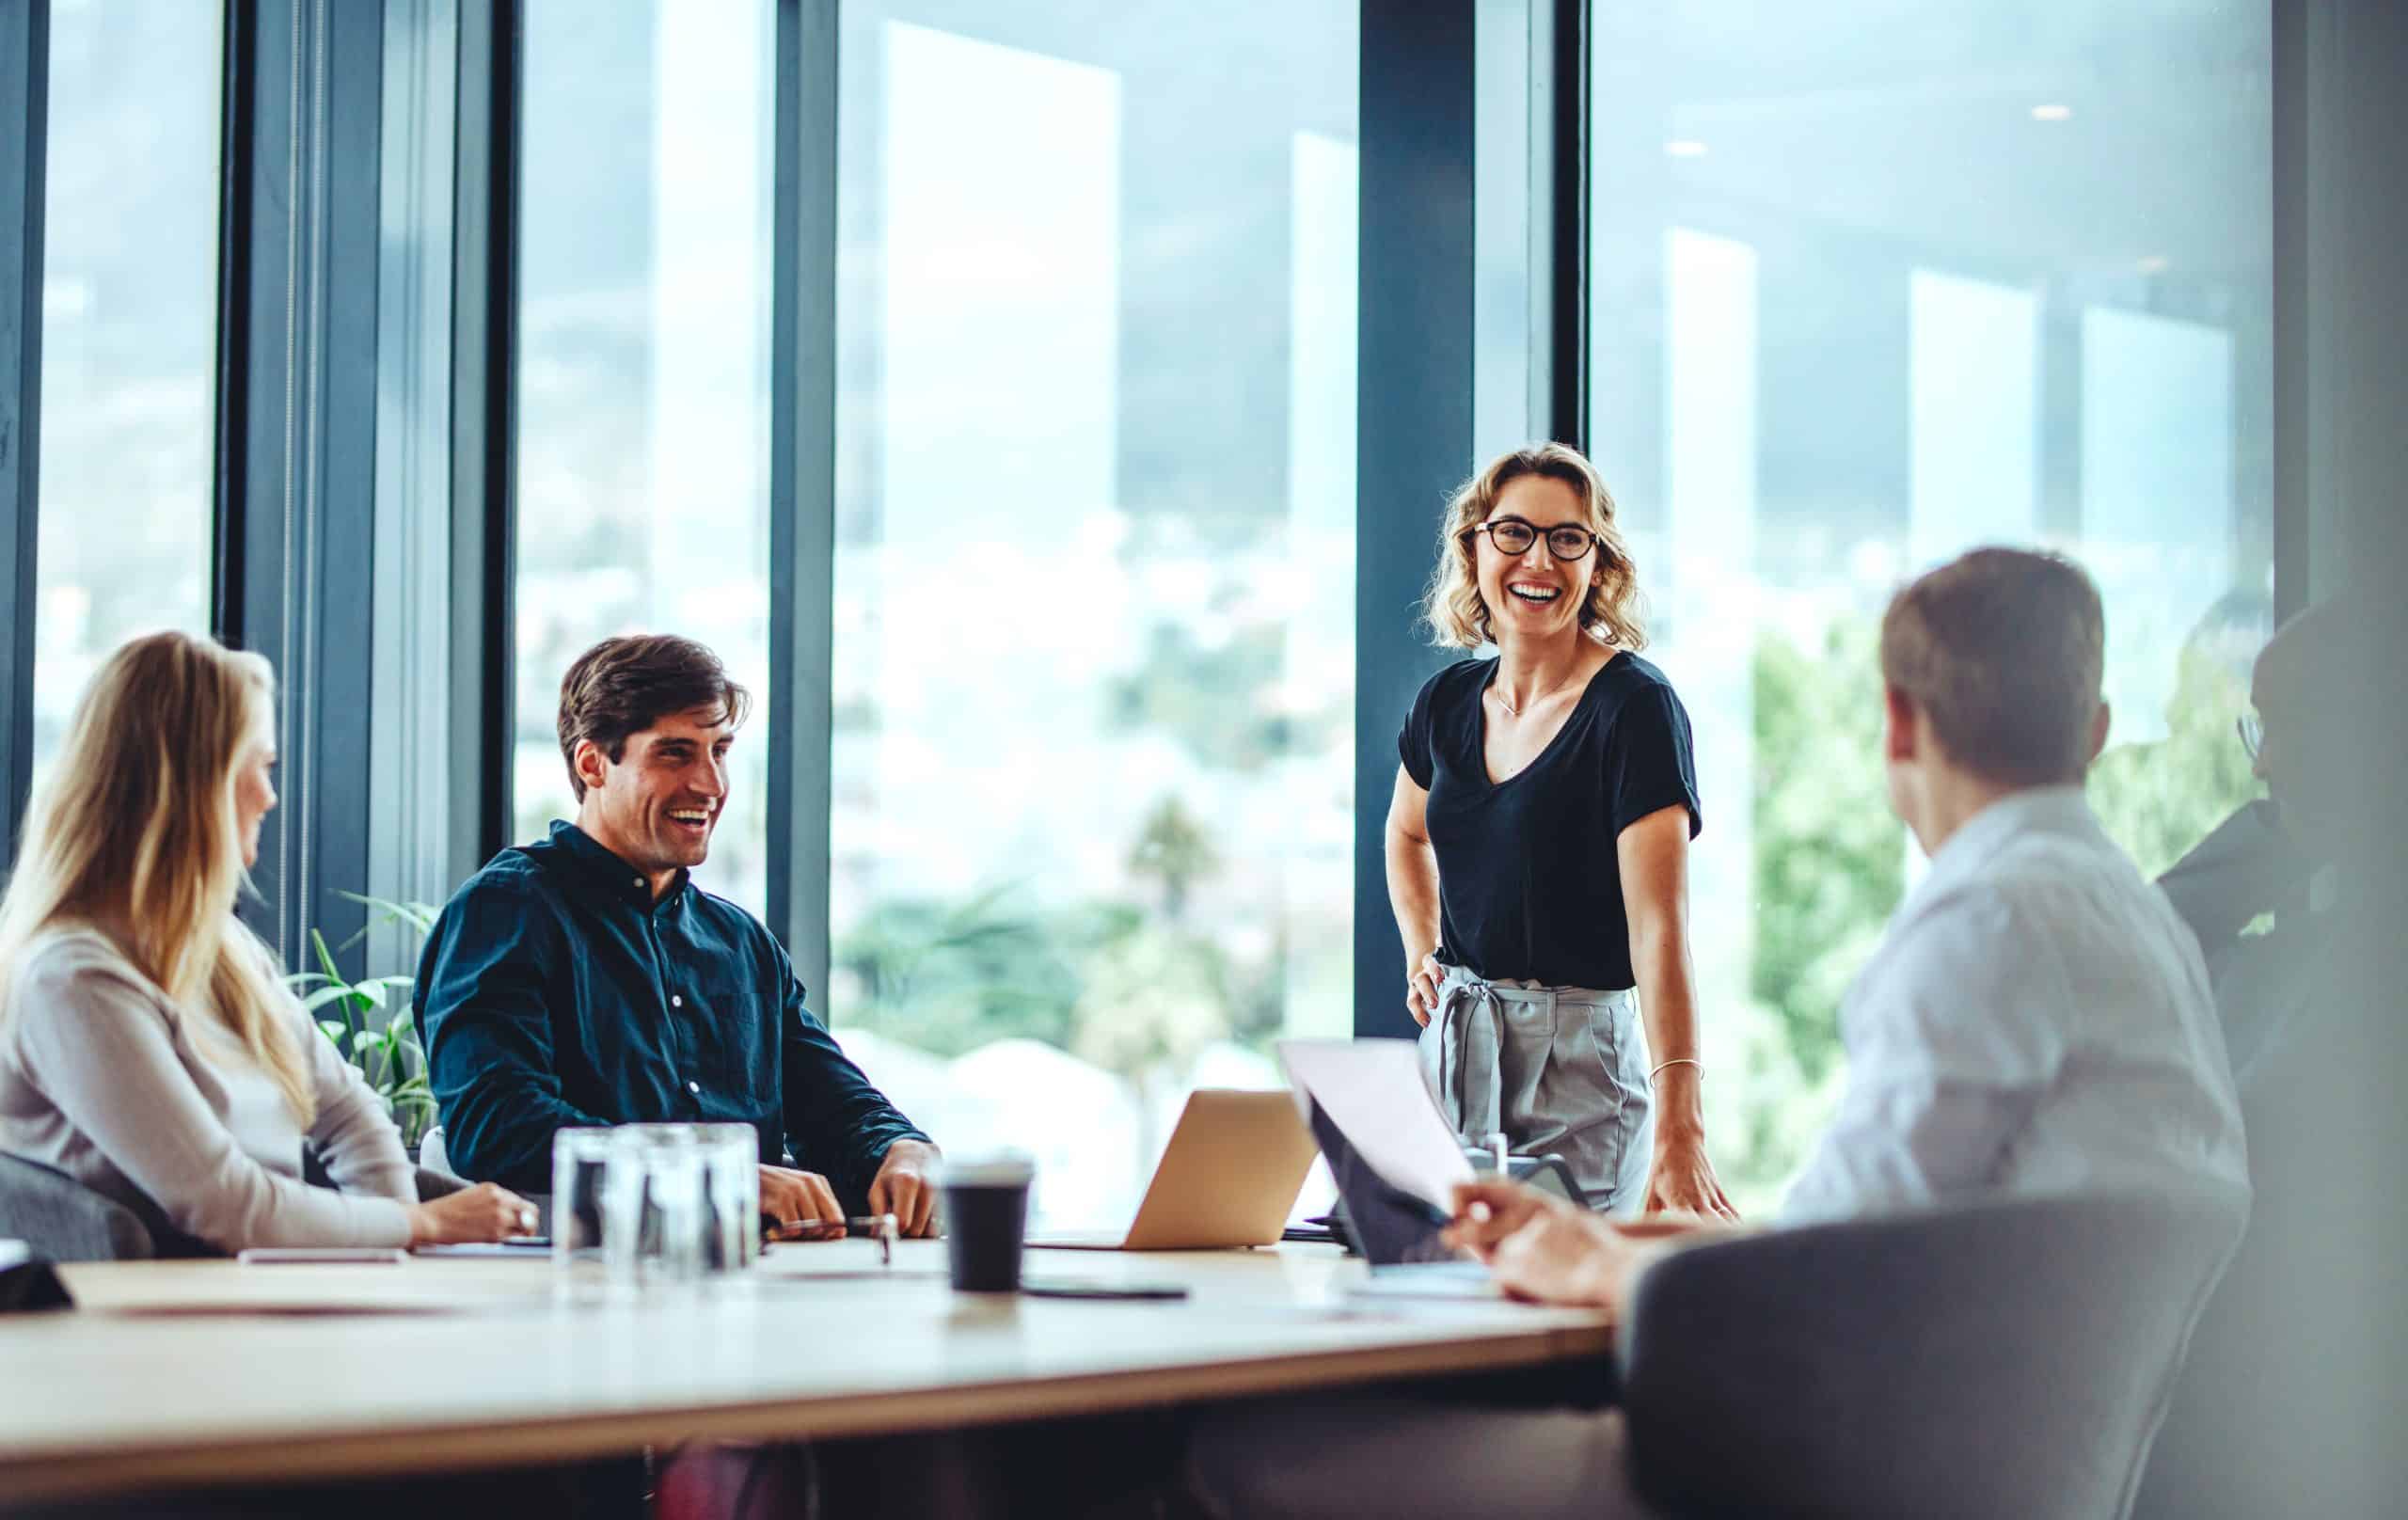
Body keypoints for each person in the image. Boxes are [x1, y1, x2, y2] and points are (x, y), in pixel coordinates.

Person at [1184, 546, 2250, 1520]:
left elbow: (1826, 1290)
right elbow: (1882, 1233)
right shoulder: (2135, 922)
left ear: (1897, 724)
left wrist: (1596, 1267)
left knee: (1238, 1453)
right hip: (1985, 1471)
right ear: (2097, 728)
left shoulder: (1985, 924)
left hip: (1807, 1476)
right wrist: (1604, 1239)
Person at [0, 632, 534, 1253]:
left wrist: (394, 1249)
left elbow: (346, 1113)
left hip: (258, 1291)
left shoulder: (221, 948)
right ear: (196, 784)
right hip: (156, 1324)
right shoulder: (74, 980)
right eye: (261, 766)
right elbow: (225, 1204)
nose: (271, 795)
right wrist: (422, 1224)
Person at [418, 634, 939, 1236]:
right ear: (593, 764)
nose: (711, 785)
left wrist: (901, 1148)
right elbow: (498, 1127)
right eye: (675, 754)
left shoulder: (739, 941)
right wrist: (716, 1174)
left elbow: (833, 1103)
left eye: (719, 751)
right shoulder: (507, 911)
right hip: (577, 1286)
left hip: (755, 1282)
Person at [1388, 442, 1729, 1217]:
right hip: (1454, 1052)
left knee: (1559, 1321)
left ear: (1598, 563)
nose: (1537, 559)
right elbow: (1406, 835)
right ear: (1475, 547)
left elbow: (1660, 930)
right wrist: (1420, 952)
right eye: (1513, 532)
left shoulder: (1634, 709)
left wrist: (1683, 1126)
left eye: (1566, 538)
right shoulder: (1444, 703)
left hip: (1580, 1070)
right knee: (1444, 1307)